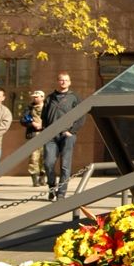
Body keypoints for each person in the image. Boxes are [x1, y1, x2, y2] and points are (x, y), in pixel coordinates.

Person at [42, 72, 84, 201]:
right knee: (48, 163)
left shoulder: (74, 97)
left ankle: (61, 193)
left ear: (70, 82)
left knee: (65, 165)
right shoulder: (50, 97)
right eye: (61, 80)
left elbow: (81, 115)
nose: (63, 82)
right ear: (57, 81)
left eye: (66, 80)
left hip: (67, 135)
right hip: (51, 136)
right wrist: (45, 129)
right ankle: (51, 186)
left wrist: (72, 131)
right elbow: (44, 115)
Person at [20, 89, 46, 186]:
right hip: (33, 135)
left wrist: (42, 125)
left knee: (45, 157)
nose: (35, 98)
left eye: (37, 96)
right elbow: (23, 120)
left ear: (42, 97)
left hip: (46, 135)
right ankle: (35, 179)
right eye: (34, 97)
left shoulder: (47, 107)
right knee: (33, 158)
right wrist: (32, 124)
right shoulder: (29, 108)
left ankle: (43, 177)